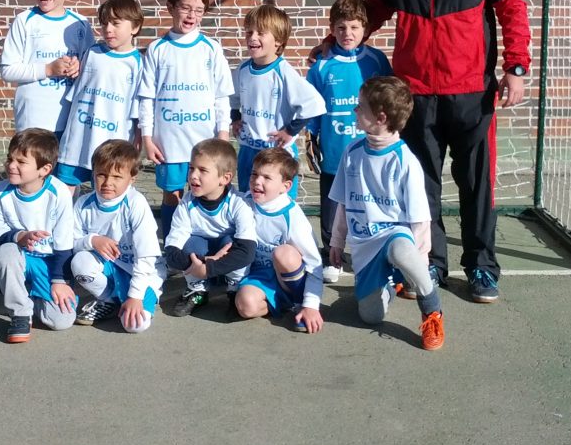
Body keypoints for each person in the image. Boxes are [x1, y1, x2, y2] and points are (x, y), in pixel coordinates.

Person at [342, 0, 531, 304]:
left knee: (475, 184)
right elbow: (375, 10)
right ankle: (431, 263)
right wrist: (339, 37)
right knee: (419, 185)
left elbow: (512, 8)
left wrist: (516, 68)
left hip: (471, 91)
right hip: (414, 94)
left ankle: (482, 267)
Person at [328, 76, 444, 351]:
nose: (355, 111)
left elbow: (420, 218)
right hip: (364, 243)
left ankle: (432, 310)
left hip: (394, 233)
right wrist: (336, 241)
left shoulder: (405, 161)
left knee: (404, 253)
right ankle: (392, 285)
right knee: (370, 317)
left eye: (360, 107)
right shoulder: (352, 152)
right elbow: (343, 203)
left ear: (380, 118)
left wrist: (418, 263)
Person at [305, 0, 392, 283]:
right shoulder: (321, 65)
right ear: (332, 28)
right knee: (333, 203)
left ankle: (372, 252)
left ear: (366, 29)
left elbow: (390, 100)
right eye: (341, 27)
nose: (348, 34)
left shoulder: (377, 60)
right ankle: (333, 254)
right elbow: (314, 105)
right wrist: (312, 137)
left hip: (368, 150)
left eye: (354, 27)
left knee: (369, 200)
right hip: (334, 149)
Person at [137, 0, 233, 237]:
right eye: (185, 8)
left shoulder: (211, 49)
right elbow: (147, 97)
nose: (192, 15)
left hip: (204, 140)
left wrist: (222, 137)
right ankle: (173, 249)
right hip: (169, 142)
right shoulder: (157, 49)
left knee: (208, 194)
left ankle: (206, 244)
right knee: (174, 196)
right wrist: (147, 137)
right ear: (171, 8)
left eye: (199, 10)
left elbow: (221, 96)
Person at [0, 0, 95, 190]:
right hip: (34, 118)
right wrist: (49, 69)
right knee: (32, 180)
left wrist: (79, 67)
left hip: (70, 118)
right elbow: (7, 70)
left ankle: (63, 225)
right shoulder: (24, 21)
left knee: (64, 183)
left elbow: (93, 65)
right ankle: (32, 225)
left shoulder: (80, 24)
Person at [0, 128, 77, 343]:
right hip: (21, 256)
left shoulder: (59, 192)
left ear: (44, 169)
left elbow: (64, 243)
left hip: (50, 261)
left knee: (60, 321)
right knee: (5, 253)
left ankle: (26, 287)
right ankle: (20, 313)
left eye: (21, 162)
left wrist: (59, 280)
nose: (11, 166)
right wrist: (19, 236)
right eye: (10, 159)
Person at [69, 139, 163, 332]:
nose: (108, 182)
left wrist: (135, 296)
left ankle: (138, 296)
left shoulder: (136, 203)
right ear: (93, 173)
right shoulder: (83, 203)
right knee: (80, 262)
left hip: (140, 272)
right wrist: (92, 240)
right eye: (101, 175)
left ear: (132, 178)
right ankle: (109, 300)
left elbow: (147, 255)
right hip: (109, 267)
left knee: (135, 325)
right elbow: (70, 242)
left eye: (117, 177)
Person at [230, 4, 325, 193]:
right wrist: (235, 119)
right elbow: (233, 98)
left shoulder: (284, 72)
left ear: (278, 41)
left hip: (276, 152)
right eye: (249, 32)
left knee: (278, 204)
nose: (253, 37)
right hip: (248, 149)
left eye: (261, 33)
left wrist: (290, 131)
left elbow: (314, 103)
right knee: (248, 200)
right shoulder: (242, 69)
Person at [56, 0, 144, 188]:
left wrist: (138, 136)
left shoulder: (137, 63)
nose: (108, 29)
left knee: (107, 188)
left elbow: (138, 106)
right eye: (104, 24)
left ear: (134, 28)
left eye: (115, 23)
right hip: (79, 137)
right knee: (65, 188)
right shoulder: (92, 53)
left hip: (113, 139)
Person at [163, 138, 257, 316]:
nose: (193, 176)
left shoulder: (239, 204)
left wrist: (209, 268)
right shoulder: (185, 205)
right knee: (189, 244)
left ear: (225, 178)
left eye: (203, 170)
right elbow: (171, 251)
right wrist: (198, 267)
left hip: (223, 259)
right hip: (201, 261)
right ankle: (197, 291)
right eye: (191, 168)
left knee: (232, 244)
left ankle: (233, 290)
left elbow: (247, 252)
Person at [235, 147, 324, 333]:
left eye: (267, 178)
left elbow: (315, 264)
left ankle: (299, 303)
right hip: (259, 274)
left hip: (287, 273)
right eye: (254, 174)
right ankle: (280, 303)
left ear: (286, 186)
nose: (257, 181)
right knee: (245, 306)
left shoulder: (293, 217)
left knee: (284, 254)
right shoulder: (242, 203)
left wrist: (311, 305)